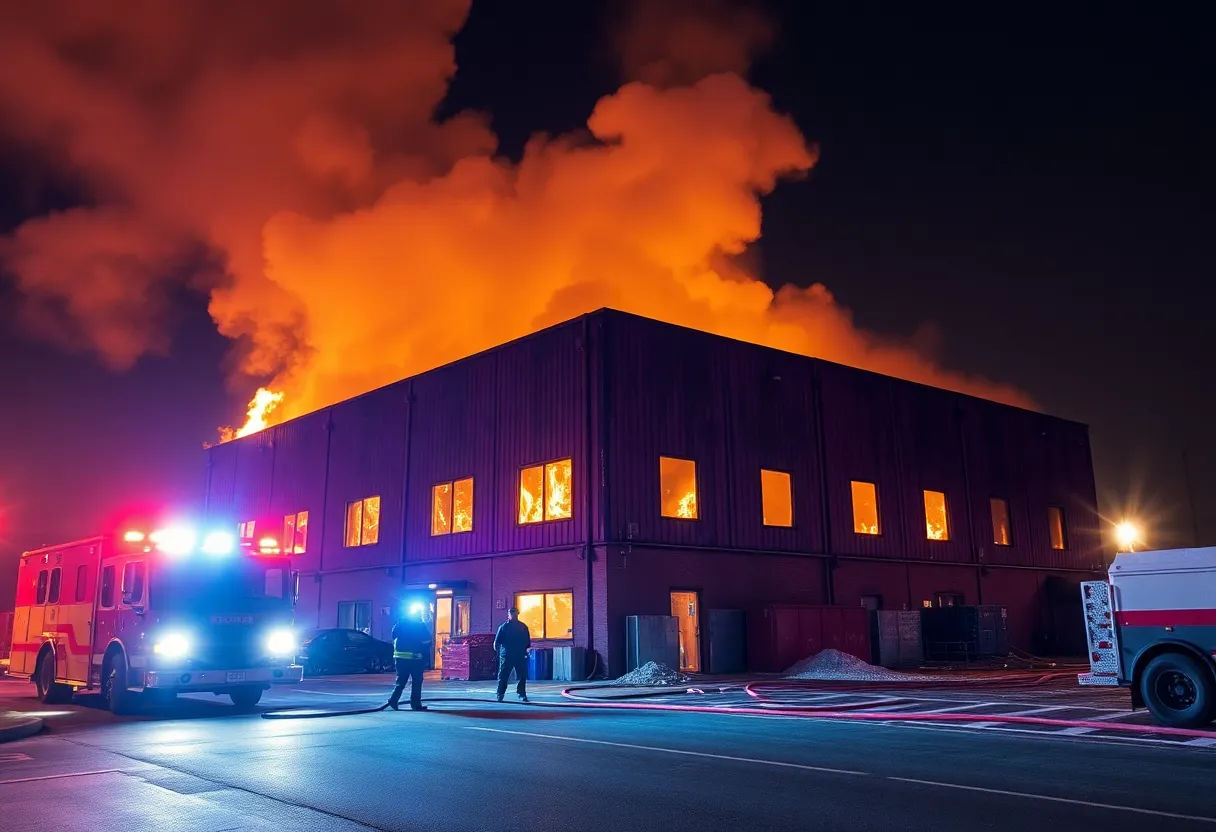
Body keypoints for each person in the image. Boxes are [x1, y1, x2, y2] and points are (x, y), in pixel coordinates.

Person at [388, 603, 432, 711]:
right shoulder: (419, 625)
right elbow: (427, 639)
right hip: (415, 658)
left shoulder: (400, 624)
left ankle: (393, 700)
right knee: (417, 681)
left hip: (400, 658)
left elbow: (393, 635)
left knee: (401, 680)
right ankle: (415, 704)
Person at [494, 606, 532, 703]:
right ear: (509, 614)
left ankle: (521, 694)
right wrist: (499, 654)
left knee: (522, 676)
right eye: (511, 613)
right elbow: (496, 642)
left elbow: (527, 643)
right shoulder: (503, 627)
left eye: (514, 613)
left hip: (519, 655)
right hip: (507, 655)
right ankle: (500, 694)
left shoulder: (523, 627)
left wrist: (527, 652)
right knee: (503, 675)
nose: (513, 615)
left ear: (517, 614)